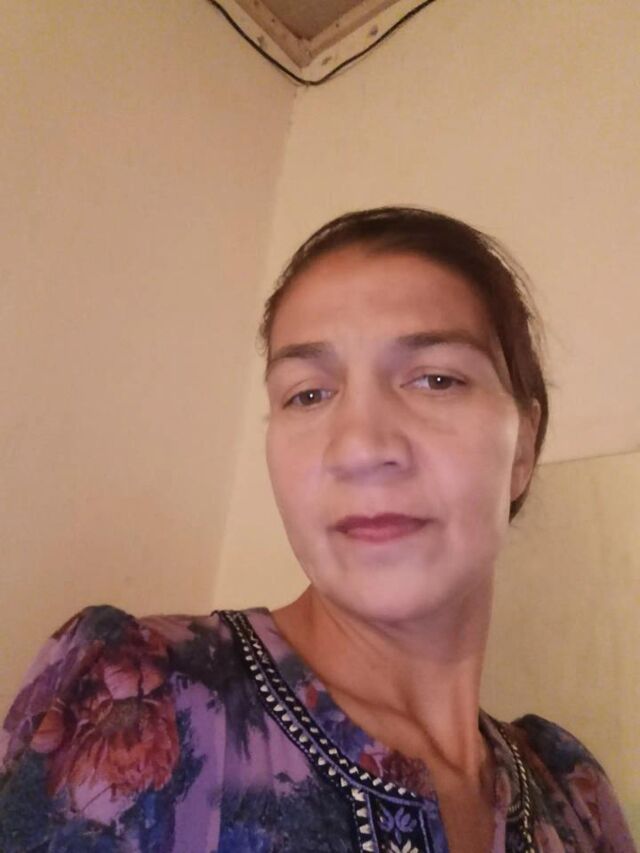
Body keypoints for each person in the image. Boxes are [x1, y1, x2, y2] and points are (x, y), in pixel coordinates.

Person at [0, 207, 634, 853]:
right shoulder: (137, 694)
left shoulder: (574, 797)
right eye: (307, 393)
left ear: (523, 446)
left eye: (436, 379)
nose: (360, 446)